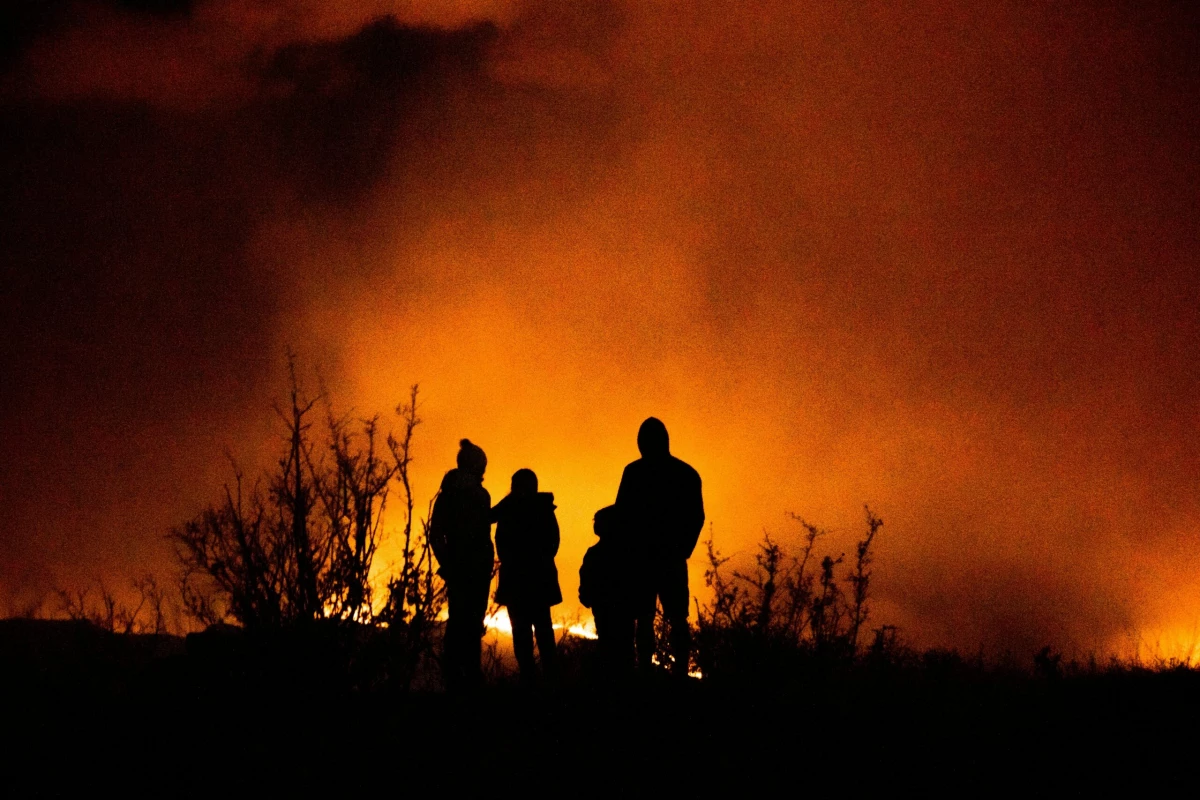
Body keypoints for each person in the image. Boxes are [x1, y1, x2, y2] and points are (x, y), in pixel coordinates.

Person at [615, 417, 705, 677]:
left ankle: (646, 670)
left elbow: (623, 514)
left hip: (647, 557)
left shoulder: (634, 472)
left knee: (648, 617)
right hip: (665, 558)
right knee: (672, 619)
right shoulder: (686, 474)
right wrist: (682, 549)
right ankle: (675, 672)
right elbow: (695, 517)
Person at [430, 438, 493, 689]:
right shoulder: (478, 495)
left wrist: (447, 563)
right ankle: (468, 678)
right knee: (468, 624)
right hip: (474, 568)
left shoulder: (448, 495)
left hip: (462, 567)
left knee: (459, 622)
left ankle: (456, 678)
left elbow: (436, 534)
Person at [491, 468, 562, 684]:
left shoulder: (508, 509)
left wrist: (514, 561)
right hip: (540, 580)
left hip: (516, 581)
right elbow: (553, 542)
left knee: (522, 632)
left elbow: (499, 540)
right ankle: (550, 679)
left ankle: (530, 679)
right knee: (543, 629)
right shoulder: (544, 509)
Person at [579, 504, 648, 675]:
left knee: (609, 645)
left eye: (598, 521)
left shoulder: (595, 553)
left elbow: (586, 580)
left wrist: (587, 597)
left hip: (606, 609)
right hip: (622, 609)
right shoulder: (628, 553)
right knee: (624, 647)